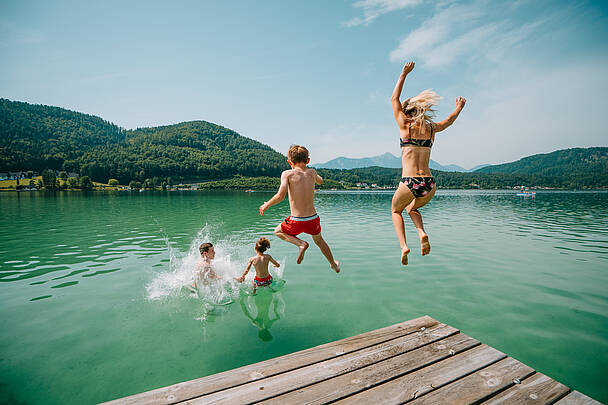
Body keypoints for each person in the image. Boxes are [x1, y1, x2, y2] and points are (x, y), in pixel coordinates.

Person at [390, 61, 466, 265]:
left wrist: (403, 74)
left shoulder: (404, 124)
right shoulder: (432, 129)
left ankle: (404, 246)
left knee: (396, 211)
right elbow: (448, 121)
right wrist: (458, 108)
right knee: (412, 209)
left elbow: (394, 98)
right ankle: (422, 233)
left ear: (408, 112)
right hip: (430, 184)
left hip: (409, 182)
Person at [259, 145, 340, 273]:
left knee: (278, 231)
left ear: (290, 162)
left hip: (296, 220)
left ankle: (300, 244)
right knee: (319, 241)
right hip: (313, 219)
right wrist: (318, 178)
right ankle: (333, 264)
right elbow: (320, 181)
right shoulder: (312, 172)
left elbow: (280, 196)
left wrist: (266, 205)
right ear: (308, 160)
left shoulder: (287, 174)